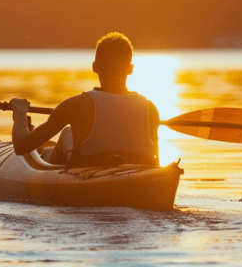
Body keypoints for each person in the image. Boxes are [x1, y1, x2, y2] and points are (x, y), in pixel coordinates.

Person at [10, 32, 159, 167]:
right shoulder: (150, 108)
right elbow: (155, 163)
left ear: (95, 67)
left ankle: (42, 148)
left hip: (87, 173)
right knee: (67, 135)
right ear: (130, 69)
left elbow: (21, 147)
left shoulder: (76, 105)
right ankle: (46, 149)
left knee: (66, 134)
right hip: (138, 176)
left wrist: (20, 114)